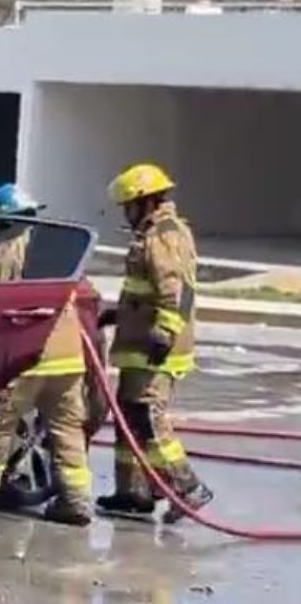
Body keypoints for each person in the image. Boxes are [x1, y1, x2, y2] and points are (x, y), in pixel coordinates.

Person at [0, 183, 94, 526]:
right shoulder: (58, 247)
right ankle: (77, 503)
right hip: (68, 355)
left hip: (29, 354)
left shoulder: (5, 249)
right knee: (67, 431)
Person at [97, 163, 212, 523]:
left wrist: (163, 334)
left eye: (127, 206)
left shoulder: (164, 235)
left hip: (155, 349)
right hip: (140, 344)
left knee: (147, 418)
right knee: (129, 418)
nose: (125, 214)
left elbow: (175, 292)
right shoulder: (152, 233)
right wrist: (119, 314)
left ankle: (187, 488)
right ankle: (134, 493)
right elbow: (144, 292)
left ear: (145, 202)